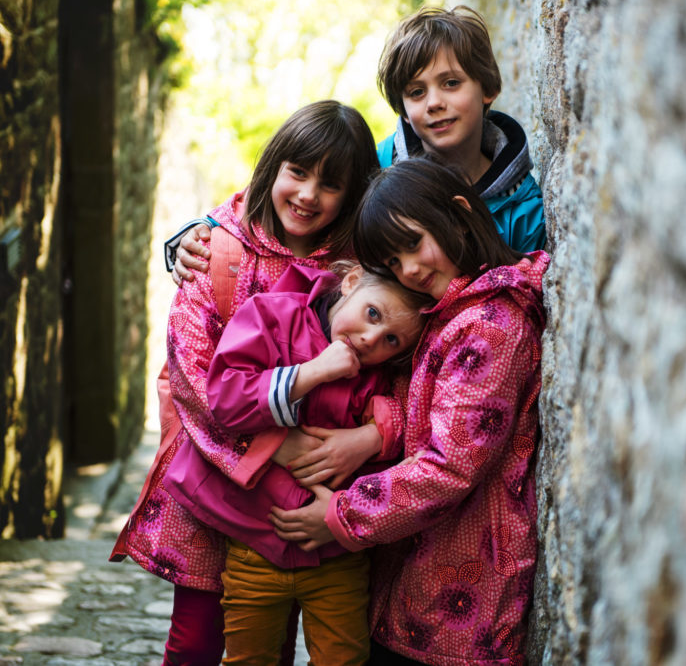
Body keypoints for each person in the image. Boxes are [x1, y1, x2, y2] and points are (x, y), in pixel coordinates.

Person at [109, 100, 382, 666]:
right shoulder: (218, 251)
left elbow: (391, 367)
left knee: (270, 642)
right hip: (221, 479)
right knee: (196, 639)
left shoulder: (360, 271)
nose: (307, 195)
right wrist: (278, 446)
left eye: (330, 184)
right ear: (273, 168)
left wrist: (369, 438)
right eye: (298, 173)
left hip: (308, 492)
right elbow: (192, 374)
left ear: (353, 195)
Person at [270, 158, 549, 665]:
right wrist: (375, 436)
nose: (411, 271)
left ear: (460, 215)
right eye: (395, 263)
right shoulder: (451, 311)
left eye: (415, 244)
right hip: (419, 581)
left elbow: (449, 465)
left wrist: (338, 516)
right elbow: (422, 405)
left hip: (458, 598)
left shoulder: (491, 324)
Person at [164, 261, 430, 665]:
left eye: (391, 339)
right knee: (250, 657)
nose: (370, 338)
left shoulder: (378, 374)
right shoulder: (273, 317)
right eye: (372, 313)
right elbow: (225, 399)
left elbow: (413, 419)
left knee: (343, 659)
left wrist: (372, 437)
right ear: (352, 282)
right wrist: (309, 373)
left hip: (337, 554)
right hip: (255, 542)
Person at [169, 5, 546, 285]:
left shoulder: (522, 205)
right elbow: (293, 195)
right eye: (417, 92)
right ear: (403, 108)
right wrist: (201, 230)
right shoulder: (377, 165)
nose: (434, 102)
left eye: (451, 83)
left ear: (489, 88)